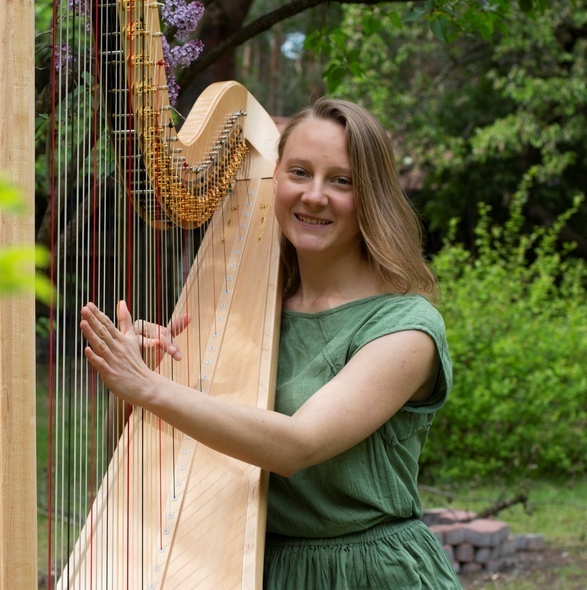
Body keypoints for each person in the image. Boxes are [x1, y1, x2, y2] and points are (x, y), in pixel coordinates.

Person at [79, 97, 462, 589]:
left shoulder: (406, 328)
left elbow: (297, 446)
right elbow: (136, 459)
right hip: (257, 566)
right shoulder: (246, 313)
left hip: (365, 573)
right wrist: (133, 383)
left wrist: (151, 389)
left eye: (341, 180)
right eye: (299, 173)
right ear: (273, 180)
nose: (315, 196)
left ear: (372, 196)